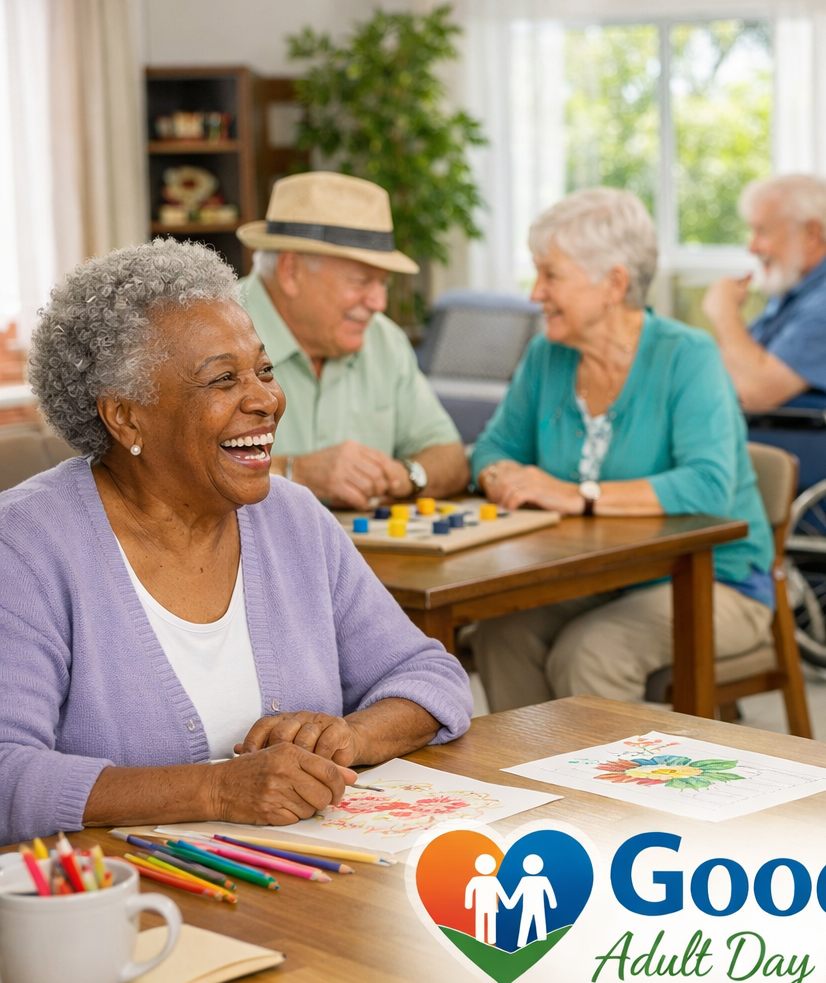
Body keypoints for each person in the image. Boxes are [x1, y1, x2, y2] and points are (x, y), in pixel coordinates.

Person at [0, 239, 473, 846]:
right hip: (137, 909)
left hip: (307, 893)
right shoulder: (26, 546)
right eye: (224, 379)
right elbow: (9, 772)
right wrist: (219, 791)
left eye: (265, 370)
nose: (266, 400)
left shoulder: (293, 516)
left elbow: (428, 674)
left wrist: (348, 736)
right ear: (125, 417)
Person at [469, 188, 775, 709]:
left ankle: (603, 792)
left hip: (714, 580)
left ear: (613, 283)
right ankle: (531, 783)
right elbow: (492, 447)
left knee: (591, 650)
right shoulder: (549, 354)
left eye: (551, 275)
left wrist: (577, 494)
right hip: (594, 575)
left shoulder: (688, 355)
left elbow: (708, 485)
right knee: (500, 633)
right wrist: (503, 475)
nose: (535, 293)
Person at [236, 171, 469, 509]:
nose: (379, 303)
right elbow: (174, 465)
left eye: (382, 284)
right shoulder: (209, 334)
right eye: (361, 281)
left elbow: (451, 459)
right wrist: (295, 472)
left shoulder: (384, 340)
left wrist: (405, 476)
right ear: (291, 270)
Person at [702, 174, 826, 420]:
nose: (752, 247)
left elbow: (756, 391)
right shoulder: (798, 284)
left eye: (762, 231)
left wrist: (724, 312)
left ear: (811, 234)